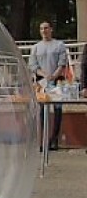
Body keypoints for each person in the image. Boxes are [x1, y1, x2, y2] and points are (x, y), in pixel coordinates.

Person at [29, 20, 69, 151]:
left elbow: (62, 63)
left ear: (51, 29)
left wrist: (54, 75)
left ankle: (54, 139)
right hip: (42, 82)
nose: (44, 31)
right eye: (41, 29)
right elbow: (33, 65)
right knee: (41, 110)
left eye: (46, 28)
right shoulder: (36, 47)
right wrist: (44, 74)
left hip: (56, 81)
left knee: (57, 109)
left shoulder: (59, 45)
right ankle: (42, 139)